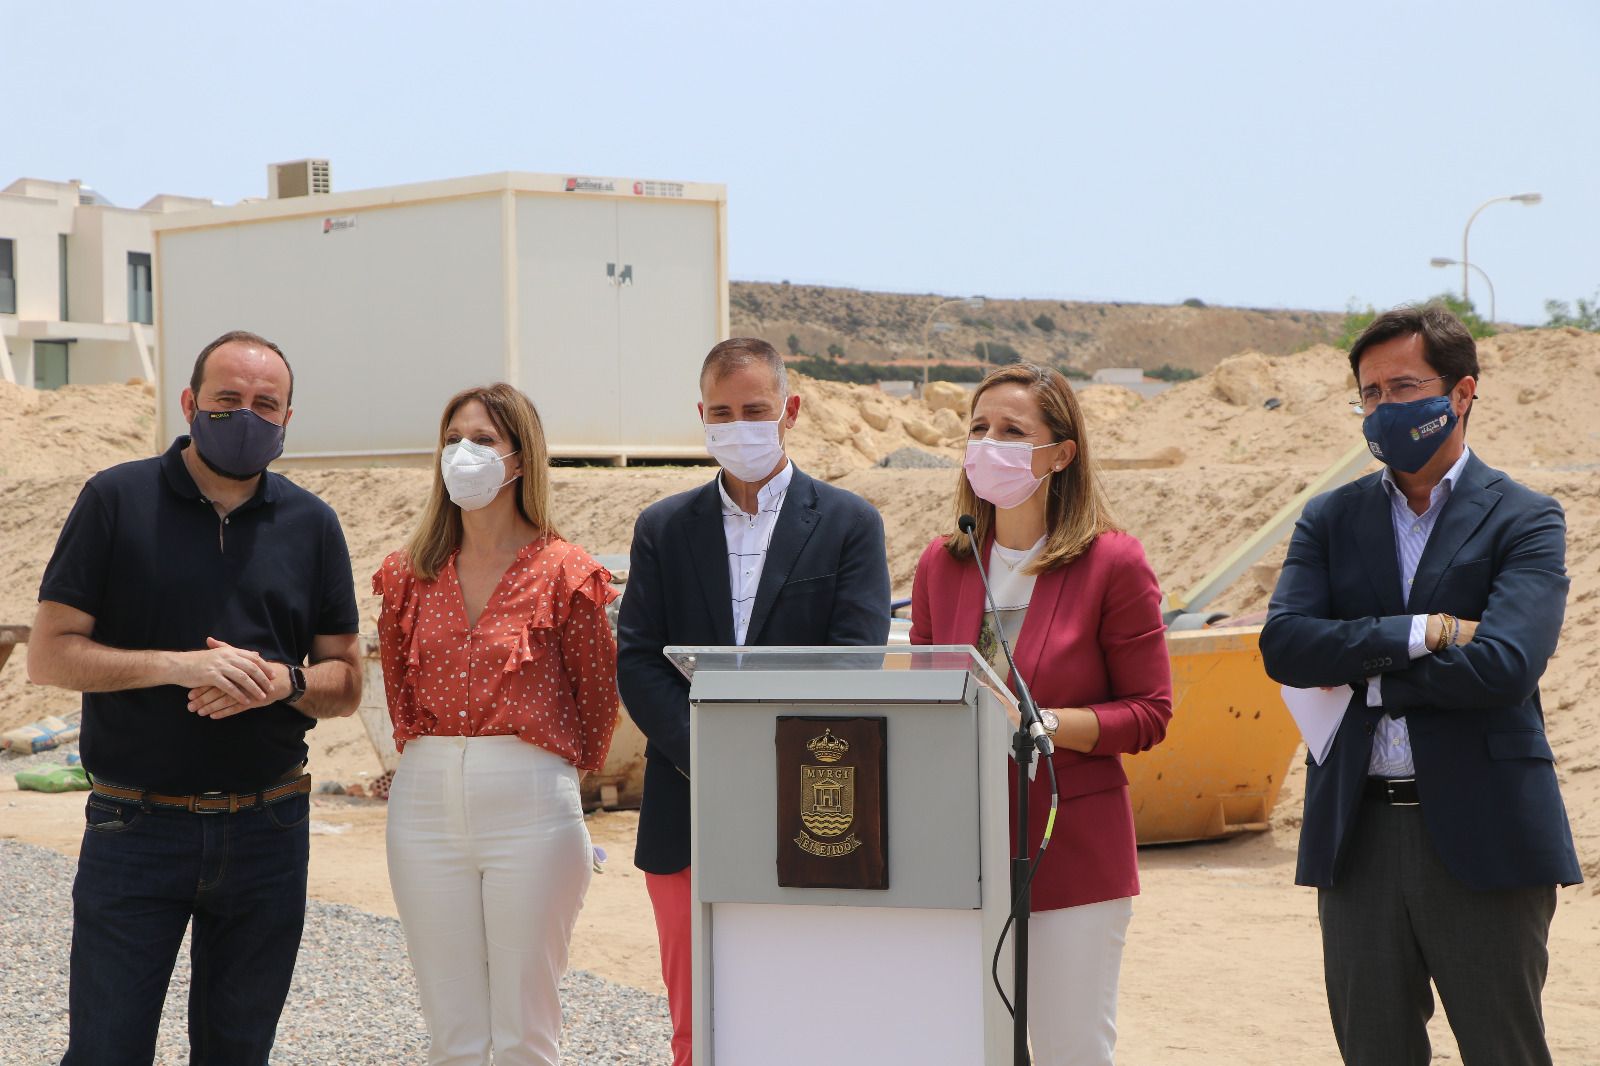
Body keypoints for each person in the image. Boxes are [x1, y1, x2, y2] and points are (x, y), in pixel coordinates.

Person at [28, 329, 363, 1066]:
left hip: (269, 833)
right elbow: (49, 655)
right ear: (188, 403)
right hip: (135, 829)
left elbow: (346, 679)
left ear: (286, 419)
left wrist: (283, 683)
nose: (247, 415)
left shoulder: (312, 525)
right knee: (106, 1052)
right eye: (227, 400)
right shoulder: (115, 500)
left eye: (265, 404)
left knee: (239, 1053)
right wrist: (180, 667)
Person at [1261, 304, 1582, 1065]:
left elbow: (1505, 664)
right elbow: (1285, 646)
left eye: (1403, 387)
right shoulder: (1329, 520)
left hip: (1485, 832)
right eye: (1369, 394)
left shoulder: (1525, 518)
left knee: (1505, 1049)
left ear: (1462, 392)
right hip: (1357, 835)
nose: (1383, 408)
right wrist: (1421, 631)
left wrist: (1361, 673)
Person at [617, 337, 891, 1064]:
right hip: (686, 809)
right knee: (695, 1025)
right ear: (701, 416)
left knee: (799, 1014)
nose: (739, 425)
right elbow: (640, 659)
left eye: (756, 410)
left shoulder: (847, 525)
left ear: (790, 411)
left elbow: (854, 662)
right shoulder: (664, 528)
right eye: (722, 412)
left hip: (808, 805)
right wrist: (709, 754)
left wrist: (775, 763)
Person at [909, 362, 1172, 1065]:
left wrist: (1050, 725)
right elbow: (928, 700)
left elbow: (1149, 712)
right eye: (979, 427)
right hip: (962, 850)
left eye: (1013, 430)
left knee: (1068, 1050)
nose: (989, 443)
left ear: (1061, 454)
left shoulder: (1113, 563)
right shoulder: (943, 563)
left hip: (1072, 850)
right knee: (968, 1047)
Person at [373, 383, 619, 1066]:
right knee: (452, 1033)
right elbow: (399, 697)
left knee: (524, 1033)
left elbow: (598, 696)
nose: (463, 454)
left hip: (532, 802)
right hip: (423, 801)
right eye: (453, 439)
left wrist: (548, 777)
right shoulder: (404, 575)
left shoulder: (566, 572)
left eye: (483, 440)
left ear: (520, 459)